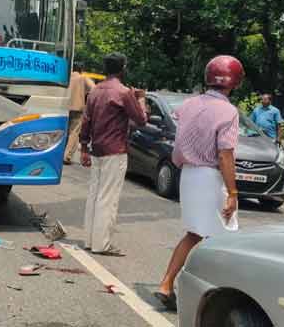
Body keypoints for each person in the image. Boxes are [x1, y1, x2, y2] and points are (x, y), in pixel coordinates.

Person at [154, 55, 244, 312]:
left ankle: (166, 283)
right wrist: (233, 192)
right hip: (210, 177)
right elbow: (225, 155)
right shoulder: (229, 111)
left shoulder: (189, 104)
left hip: (189, 175)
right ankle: (213, 296)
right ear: (234, 82)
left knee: (194, 233)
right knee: (224, 238)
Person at [79, 52, 147, 257]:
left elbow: (86, 121)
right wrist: (141, 99)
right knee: (108, 198)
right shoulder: (124, 92)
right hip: (115, 149)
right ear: (122, 68)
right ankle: (102, 244)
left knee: (94, 195)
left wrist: (83, 147)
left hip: (97, 148)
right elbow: (141, 119)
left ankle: (90, 240)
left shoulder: (95, 91)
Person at [63, 64, 95, 165]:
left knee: (63, 131)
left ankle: (58, 153)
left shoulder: (65, 76)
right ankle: (66, 156)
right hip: (77, 109)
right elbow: (94, 89)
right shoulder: (83, 78)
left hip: (63, 107)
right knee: (74, 133)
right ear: (81, 70)